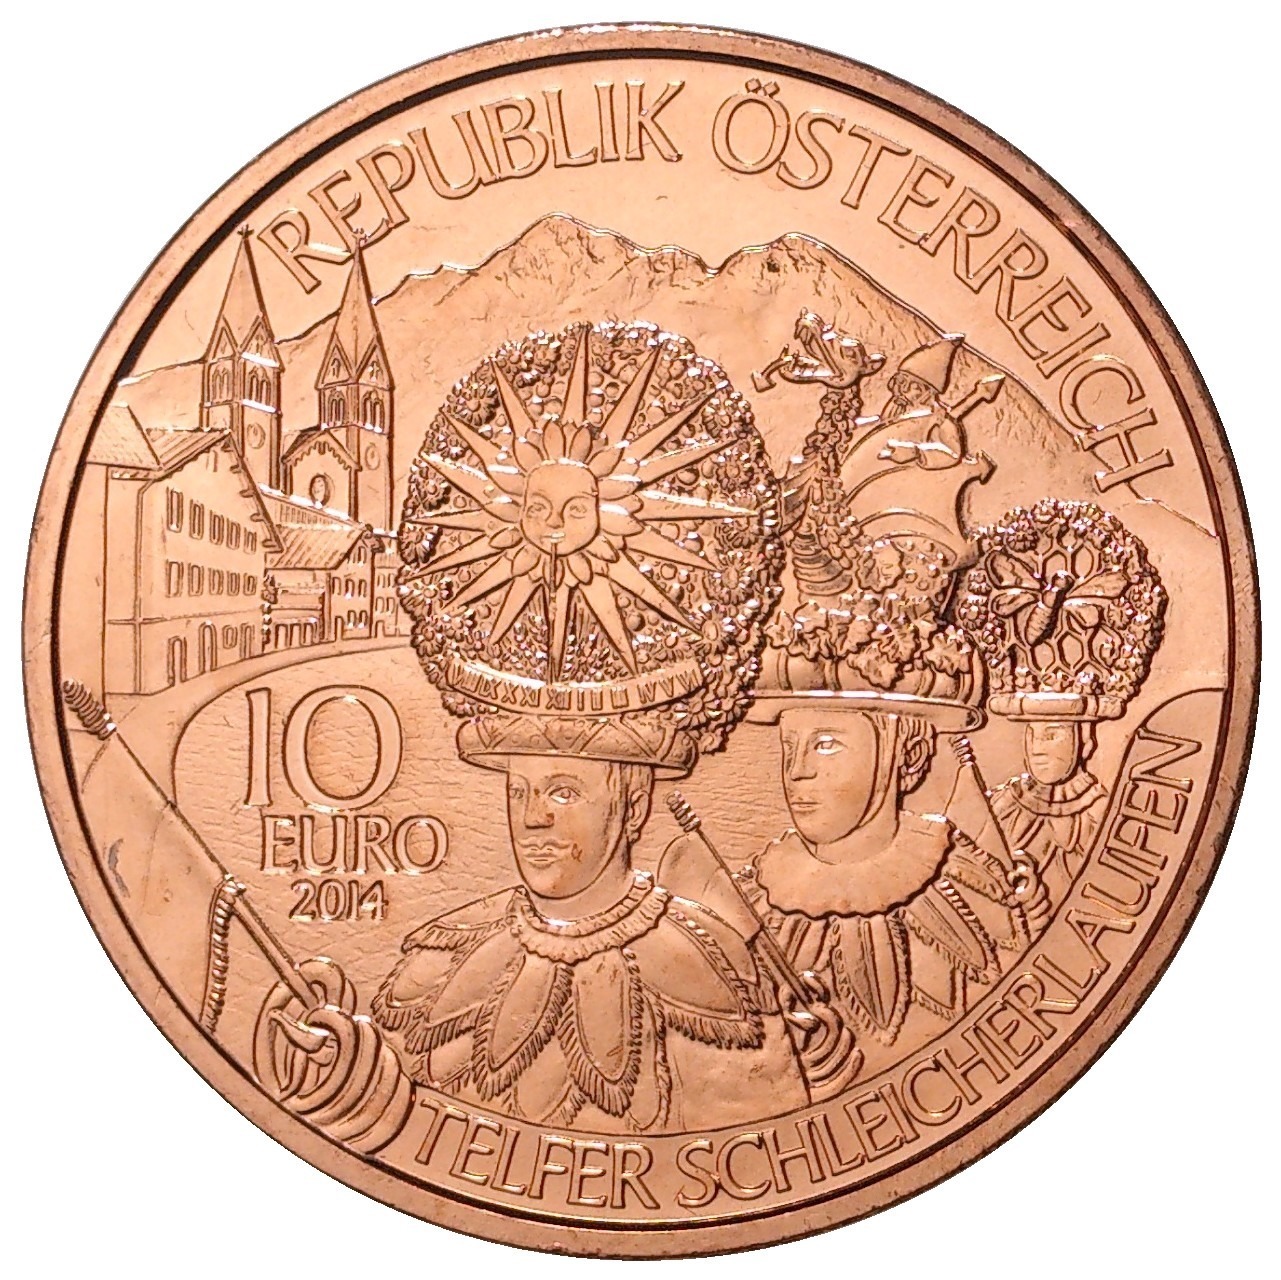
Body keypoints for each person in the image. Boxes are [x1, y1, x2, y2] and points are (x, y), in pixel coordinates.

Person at [253, 320, 809, 1143]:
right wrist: (344, 1076)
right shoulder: (440, 959)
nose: (533, 818)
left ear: (631, 800)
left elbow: (757, 1156)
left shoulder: (713, 975)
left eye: (563, 791)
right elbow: (413, 1132)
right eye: (520, 790)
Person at [956, 499, 1167, 909]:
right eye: (1034, 734)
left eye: (1052, 734)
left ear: (1085, 740)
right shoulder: (1000, 807)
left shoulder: (1105, 814)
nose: (1037, 747)